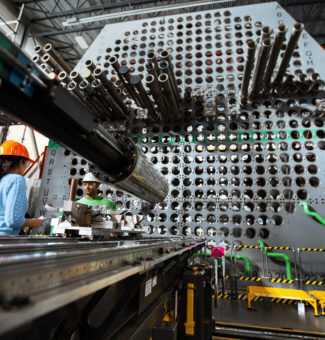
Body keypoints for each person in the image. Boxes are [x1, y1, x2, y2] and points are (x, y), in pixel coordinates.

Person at [0, 140, 43, 236]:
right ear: (21, 162)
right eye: (26, 164)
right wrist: (33, 222)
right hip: (5, 240)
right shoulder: (17, 179)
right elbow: (13, 220)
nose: (25, 168)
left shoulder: (2, 180)